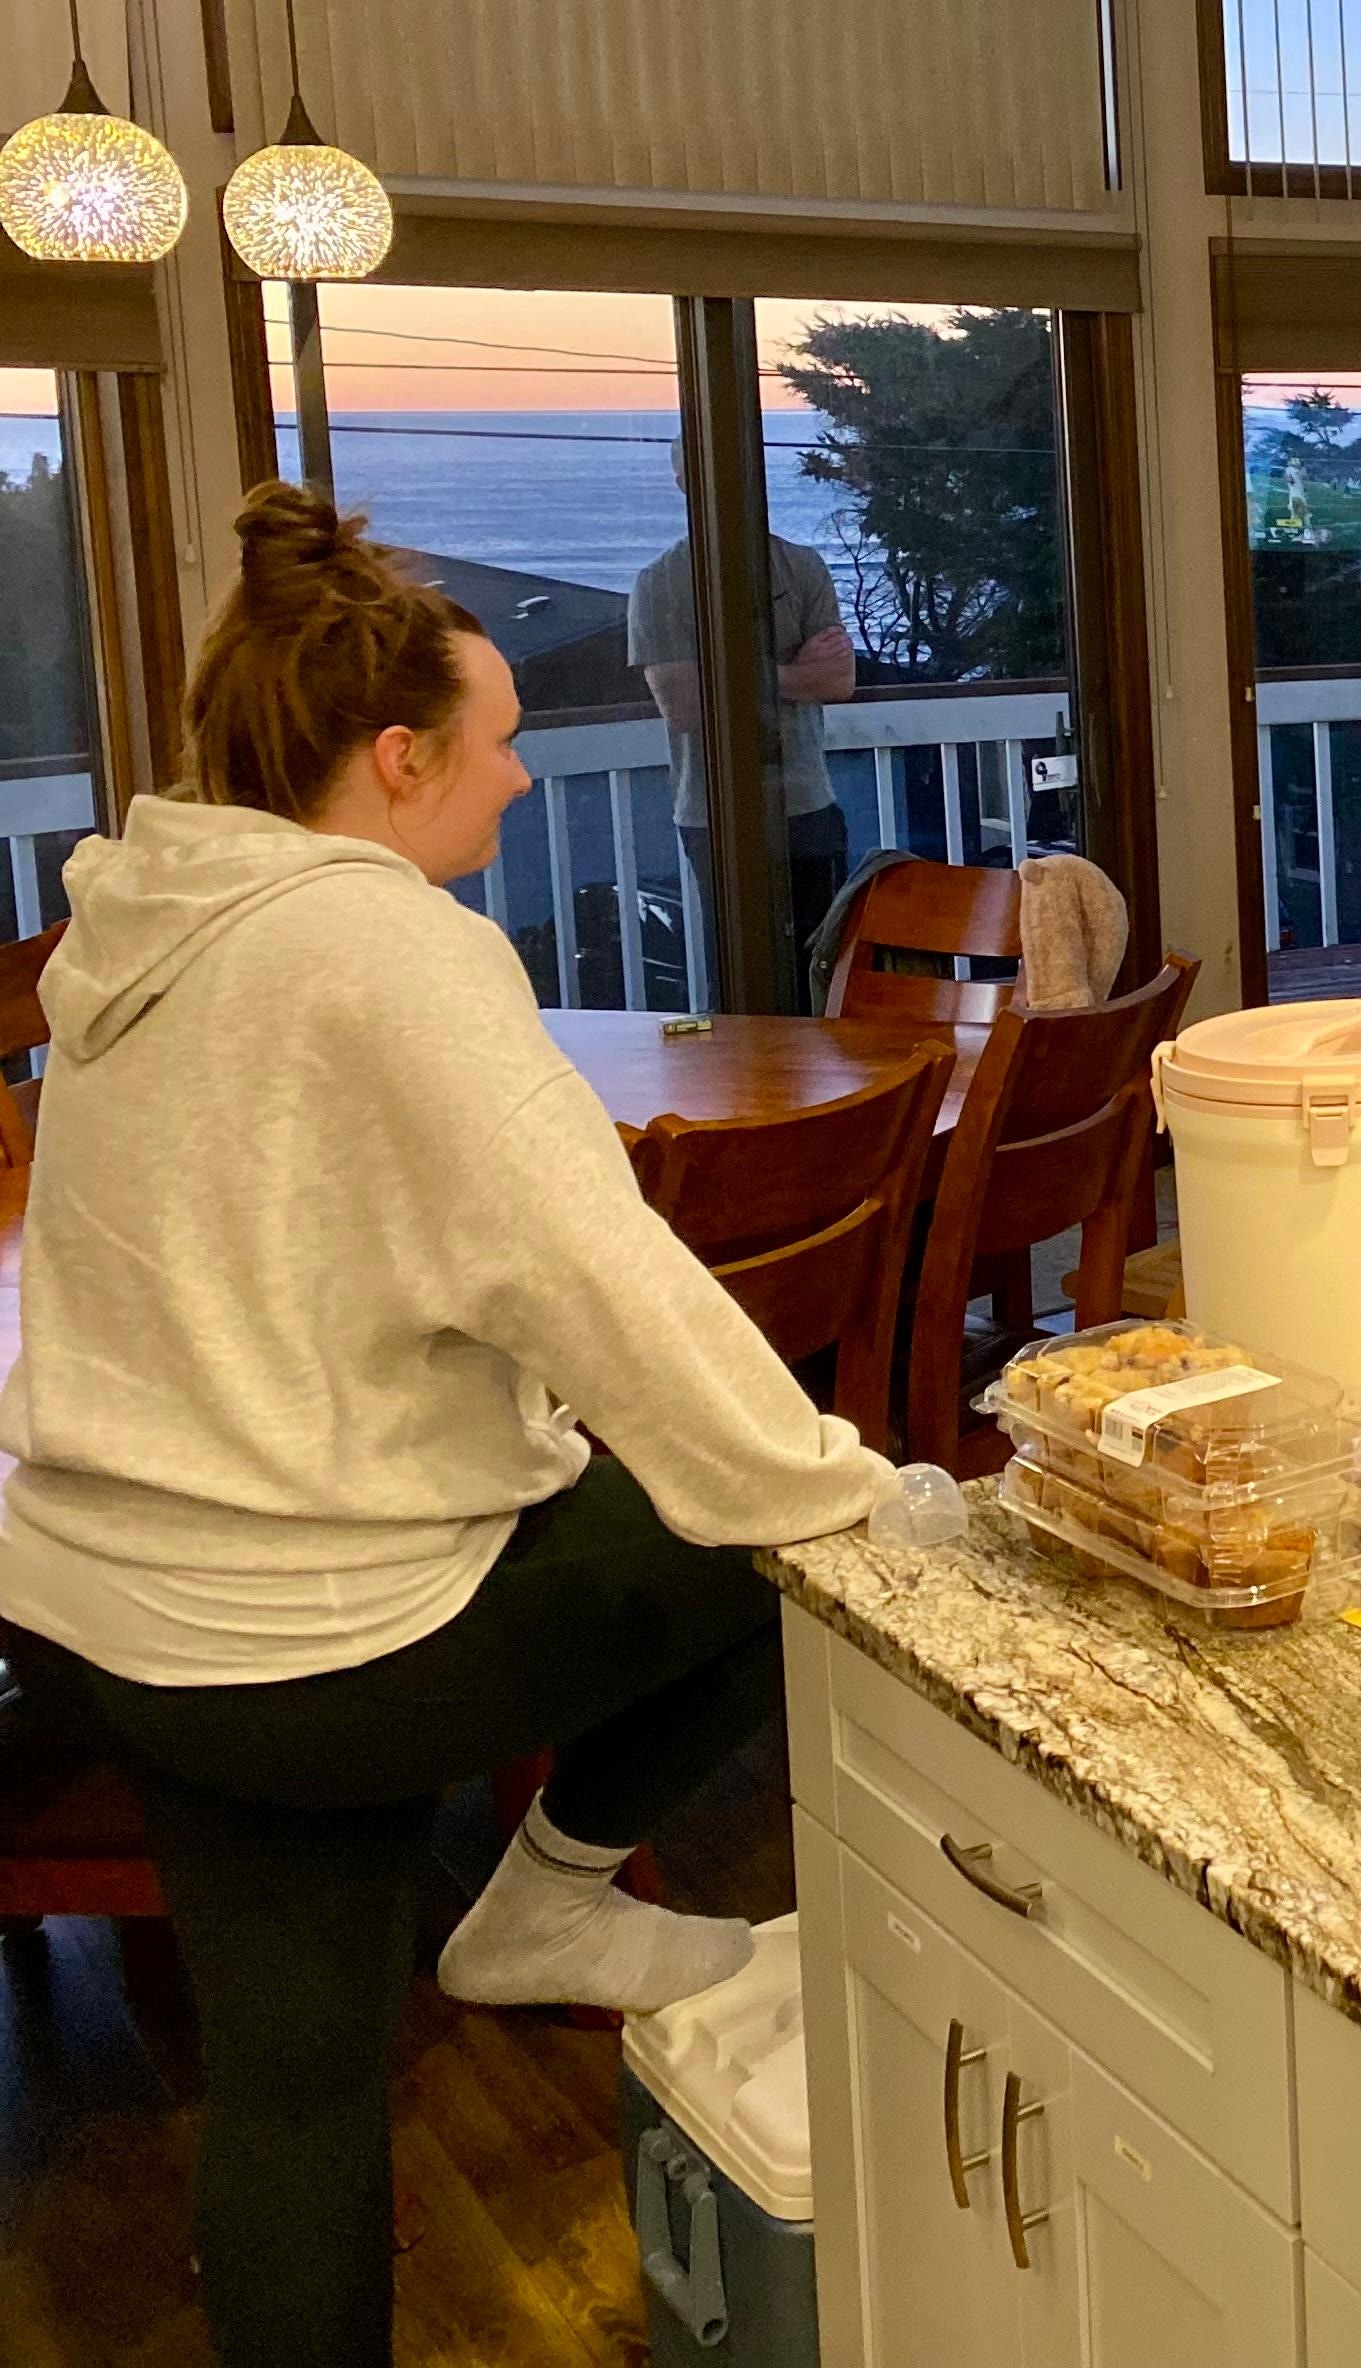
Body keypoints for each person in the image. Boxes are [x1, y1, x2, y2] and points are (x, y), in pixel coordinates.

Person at [0, 486, 897, 2368]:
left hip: (111, 1625)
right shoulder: (387, 948)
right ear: (396, 756)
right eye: (493, 747)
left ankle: (522, 1929)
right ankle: (557, 1900)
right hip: (319, 1639)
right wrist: (871, 1504)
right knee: (771, 1531)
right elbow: (612, 1288)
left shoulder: (128, 952)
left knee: (294, 2085)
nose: (514, 784)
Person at [630, 526, 859, 958]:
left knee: (822, 960)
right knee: (739, 962)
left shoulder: (802, 566)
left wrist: (718, 678)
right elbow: (682, 705)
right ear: (684, 477)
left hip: (806, 801)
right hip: (713, 809)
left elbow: (838, 679)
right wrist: (792, 674)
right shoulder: (660, 580)